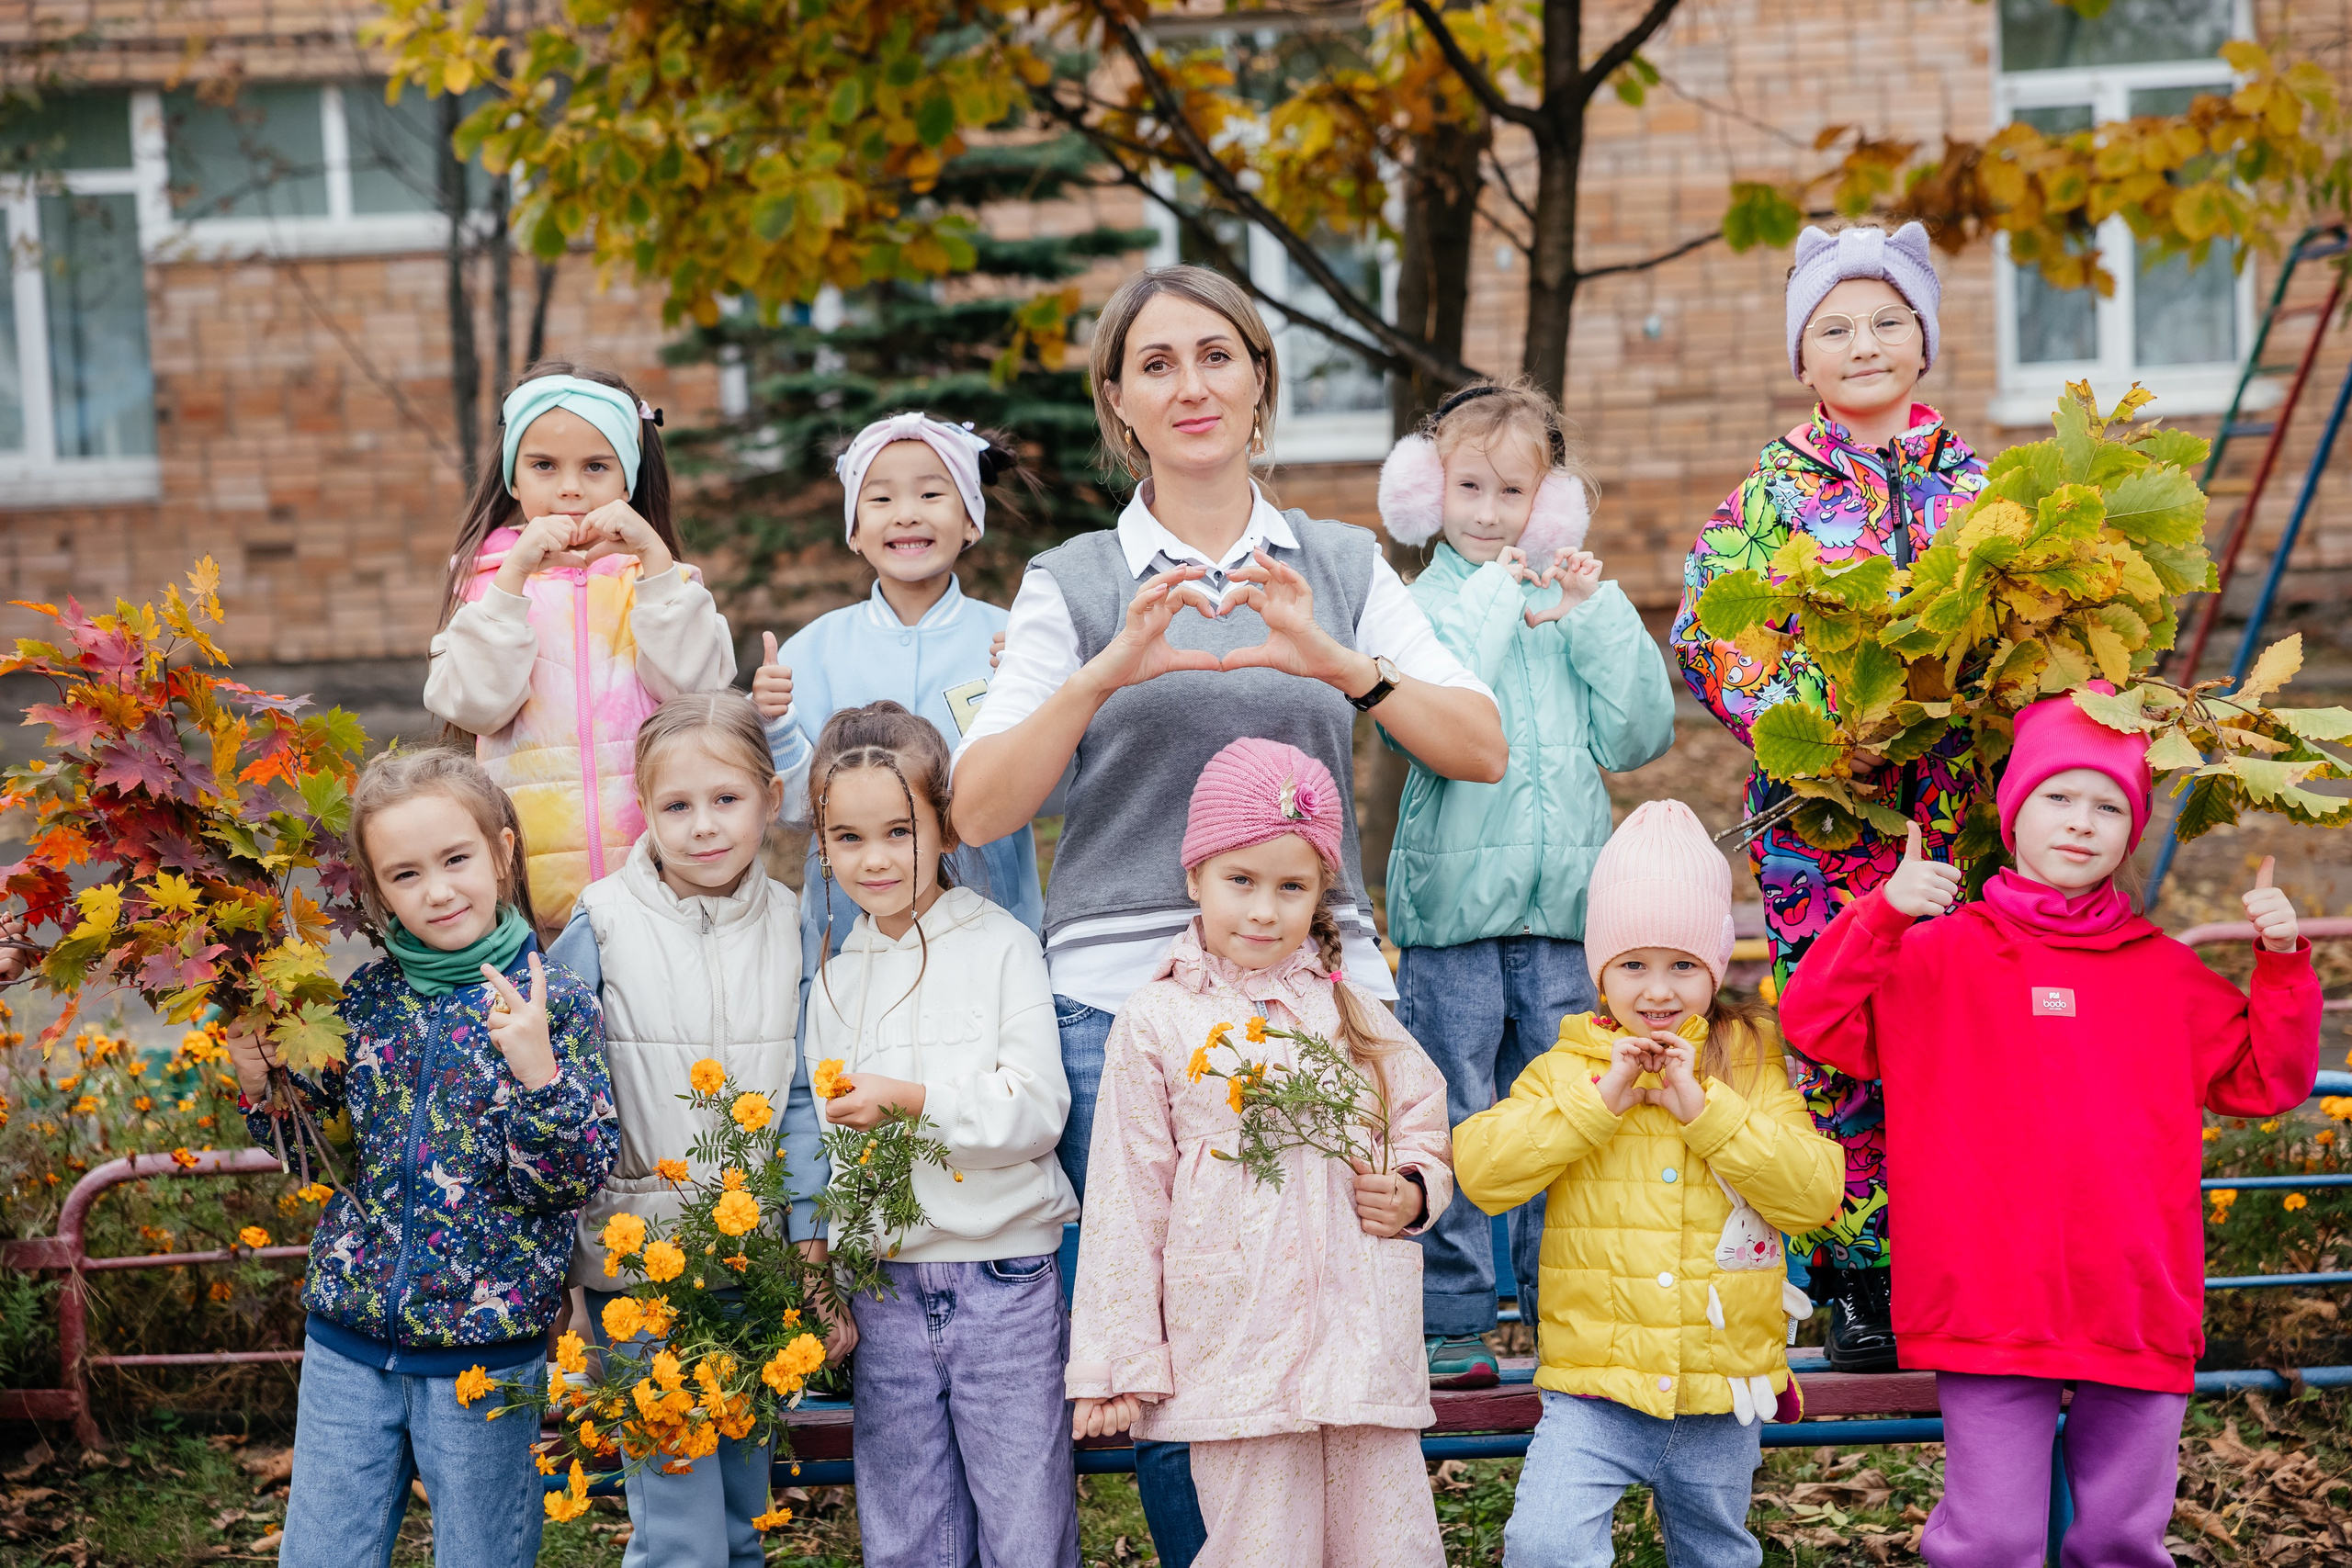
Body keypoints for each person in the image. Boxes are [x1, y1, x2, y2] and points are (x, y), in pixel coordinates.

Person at [951, 265, 1504, 1562]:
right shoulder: (1075, 580)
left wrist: (1335, 660)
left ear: (1260, 380)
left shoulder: (1342, 564)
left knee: (1336, 1320)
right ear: (1119, 401)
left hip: (1328, 1002)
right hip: (1125, 1009)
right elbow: (979, 804)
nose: (1189, 383)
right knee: (1183, 1335)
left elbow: (1478, 740)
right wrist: (1107, 670)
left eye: (1216, 355)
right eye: (1156, 364)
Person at [1778, 689, 2321, 1568]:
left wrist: (2284, 964)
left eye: (2108, 804)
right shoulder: (1937, 953)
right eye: (2058, 797)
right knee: (1990, 1540)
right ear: (2013, 811)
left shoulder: (2166, 974)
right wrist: (1881, 913)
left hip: (2137, 1294)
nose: (2081, 822)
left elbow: (2271, 1079)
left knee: (2120, 1539)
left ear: (2132, 828)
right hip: (1988, 1297)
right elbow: (1815, 1021)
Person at [1668, 221, 1988, 1371]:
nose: (1864, 344)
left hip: (1955, 818)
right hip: (1823, 825)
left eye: (1888, 321)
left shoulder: (1980, 492)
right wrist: (1798, 724)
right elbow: (1706, 624)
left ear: (1924, 342)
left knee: (1957, 1027)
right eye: (1835, 328)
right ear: (1803, 358)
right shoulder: (1773, 493)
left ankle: (1959, 1260)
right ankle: (1856, 1279)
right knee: (1838, 1030)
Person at [225, 749, 616, 1568]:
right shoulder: (365, 999)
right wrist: (264, 1087)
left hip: (484, 1350)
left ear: (503, 851)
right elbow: (320, 1157)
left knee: (483, 1555)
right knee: (322, 1554)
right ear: (377, 890)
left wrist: (539, 1074)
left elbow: (570, 1179)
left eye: (456, 859)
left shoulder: (556, 1001)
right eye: (405, 874)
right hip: (349, 1337)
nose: (437, 890)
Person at [1069, 739, 1453, 1568]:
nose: (1264, 910)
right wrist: (1118, 1358)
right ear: (1195, 877)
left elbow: (1421, 1108)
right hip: (1235, 1346)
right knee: (1258, 1545)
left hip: (1359, 1346)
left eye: (1292, 887)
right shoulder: (1159, 1018)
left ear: (1320, 895)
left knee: (1386, 1544)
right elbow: (1126, 1197)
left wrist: (1417, 1189)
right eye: (1240, 881)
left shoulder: (1347, 1009)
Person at [1374, 376, 1676, 1387]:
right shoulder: (1418, 602)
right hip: (1453, 923)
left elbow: (1637, 735)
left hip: (1563, 920)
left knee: (1569, 1111)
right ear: (1428, 493)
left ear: (1549, 502)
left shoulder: (1563, 601)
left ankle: (1566, 1312)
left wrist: (1591, 615)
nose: (1492, 513)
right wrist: (1509, 591)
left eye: (1514, 493)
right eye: (1470, 489)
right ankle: (1452, 1318)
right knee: (1452, 1114)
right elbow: (1441, 688)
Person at [1454, 798, 1841, 1565]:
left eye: (1683, 965)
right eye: (1633, 964)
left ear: (1716, 965)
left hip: (1719, 1387)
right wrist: (1598, 1104)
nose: (1657, 989)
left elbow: (1814, 1192)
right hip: (1593, 1391)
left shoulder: (1747, 1061)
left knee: (1714, 1552)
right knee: (1544, 1544)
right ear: (1600, 968)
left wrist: (1708, 1109)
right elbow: (1483, 1170)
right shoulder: (1568, 1066)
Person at [545, 692, 842, 1568]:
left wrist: (809, 1249)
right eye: (677, 805)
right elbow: (565, 1099)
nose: (703, 826)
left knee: (744, 1510)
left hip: (750, 1262)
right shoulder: (601, 921)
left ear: (771, 797)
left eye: (726, 800)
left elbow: (799, 1100)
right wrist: (567, 1264)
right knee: (679, 1522)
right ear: (645, 808)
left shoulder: (793, 923)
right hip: (637, 1267)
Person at [801, 700, 1082, 1568]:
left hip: (1005, 1279)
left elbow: (1038, 1108)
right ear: (823, 846)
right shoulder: (835, 980)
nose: (875, 858)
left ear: (947, 827)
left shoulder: (1000, 945)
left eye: (899, 829)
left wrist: (914, 1101)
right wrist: (829, 1271)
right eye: (848, 837)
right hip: (885, 1292)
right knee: (909, 1532)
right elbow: (837, 1153)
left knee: (1024, 1533)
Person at [424, 363, 736, 938]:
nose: (569, 488)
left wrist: (658, 565)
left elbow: (699, 697)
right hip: (526, 895)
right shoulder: (487, 587)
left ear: (628, 481)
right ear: (514, 480)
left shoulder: (662, 582)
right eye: (543, 465)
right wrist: (511, 581)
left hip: (660, 883)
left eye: (596, 466)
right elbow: (474, 705)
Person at [754, 412, 1045, 1000]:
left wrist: (1038, 693)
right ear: (854, 531)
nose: (907, 512)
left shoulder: (1012, 642)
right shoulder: (812, 652)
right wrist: (777, 725)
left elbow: (1052, 792)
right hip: (850, 941)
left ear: (969, 522)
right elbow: (792, 812)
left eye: (932, 494)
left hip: (989, 925)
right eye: (881, 498)